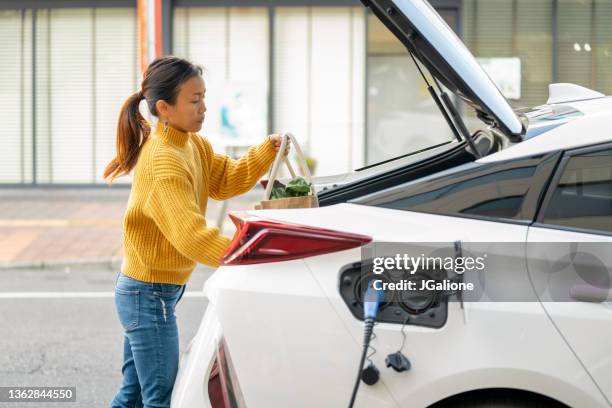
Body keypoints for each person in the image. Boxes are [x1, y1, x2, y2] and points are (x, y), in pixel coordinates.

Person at [103, 56, 289, 408]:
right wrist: (252, 252)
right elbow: (192, 236)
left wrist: (267, 150)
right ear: (164, 108)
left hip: (152, 293)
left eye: (203, 97)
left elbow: (225, 180)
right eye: (194, 100)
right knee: (160, 397)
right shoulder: (163, 160)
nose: (204, 107)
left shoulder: (191, 144)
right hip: (148, 296)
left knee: (135, 395)